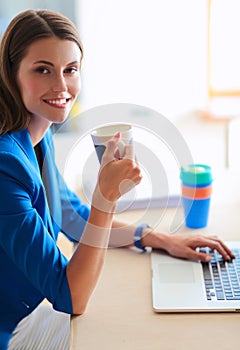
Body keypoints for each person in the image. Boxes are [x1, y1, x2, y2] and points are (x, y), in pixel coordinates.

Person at [0, 9, 234, 350]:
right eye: (43, 70)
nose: (62, 86)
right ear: (11, 74)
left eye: (71, 70)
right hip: (14, 329)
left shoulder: (37, 136)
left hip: (30, 313)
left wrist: (160, 239)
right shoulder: (6, 166)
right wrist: (106, 198)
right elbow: (72, 297)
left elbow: (73, 217)